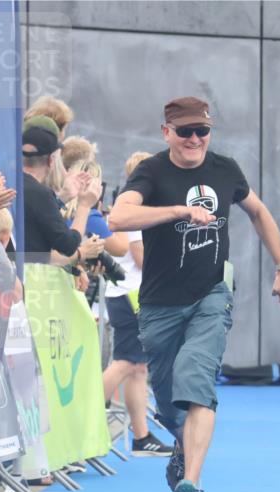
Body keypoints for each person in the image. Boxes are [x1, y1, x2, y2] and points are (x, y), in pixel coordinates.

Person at [109, 96, 280, 492]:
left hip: (211, 295)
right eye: (185, 131)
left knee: (197, 379)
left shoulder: (226, 170)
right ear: (166, 133)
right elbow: (118, 219)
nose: (195, 139)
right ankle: (180, 445)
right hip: (158, 304)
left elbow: (259, 212)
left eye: (202, 131)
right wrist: (179, 211)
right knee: (170, 403)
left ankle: (191, 484)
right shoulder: (151, 171)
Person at [102, 151, 171, 457]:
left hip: (133, 296)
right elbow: (143, 258)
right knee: (127, 363)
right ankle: (85, 422)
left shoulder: (141, 209)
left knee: (138, 367)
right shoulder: (133, 211)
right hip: (130, 296)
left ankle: (141, 437)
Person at [21, 124, 104, 264]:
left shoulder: (12, 182)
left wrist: (62, 197)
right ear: (51, 160)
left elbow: (36, 214)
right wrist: (84, 206)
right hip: (29, 278)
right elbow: (68, 245)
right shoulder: (40, 193)